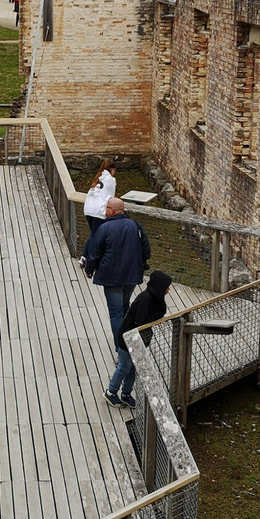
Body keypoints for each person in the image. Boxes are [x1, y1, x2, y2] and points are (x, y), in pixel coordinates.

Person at [84, 197, 151, 346]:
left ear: (113, 211)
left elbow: (95, 252)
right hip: (131, 276)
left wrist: (89, 269)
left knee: (115, 314)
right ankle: (129, 342)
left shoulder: (104, 228)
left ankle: (120, 346)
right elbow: (146, 251)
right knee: (125, 307)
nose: (105, 210)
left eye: (107, 207)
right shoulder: (136, 226)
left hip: (111, 277)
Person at [104, 270, 171, 408]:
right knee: (124, 367)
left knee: (133, 368)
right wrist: (154, 317)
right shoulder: (145, 299)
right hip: (128, 338)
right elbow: (141, 320)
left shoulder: (157, 299)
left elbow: (161, 312)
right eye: (166, 287)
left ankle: (126, 393)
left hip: (139, 339)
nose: (168, 290)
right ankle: (111, 392)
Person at [80, 158, 117, 266]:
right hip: (99, 211)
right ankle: (87, 258)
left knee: (94, 234)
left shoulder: (99, 178)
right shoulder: (111, 180)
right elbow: (111, 197)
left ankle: (85, 256)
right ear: (112, 170)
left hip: (88, 209)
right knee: (96, 236)